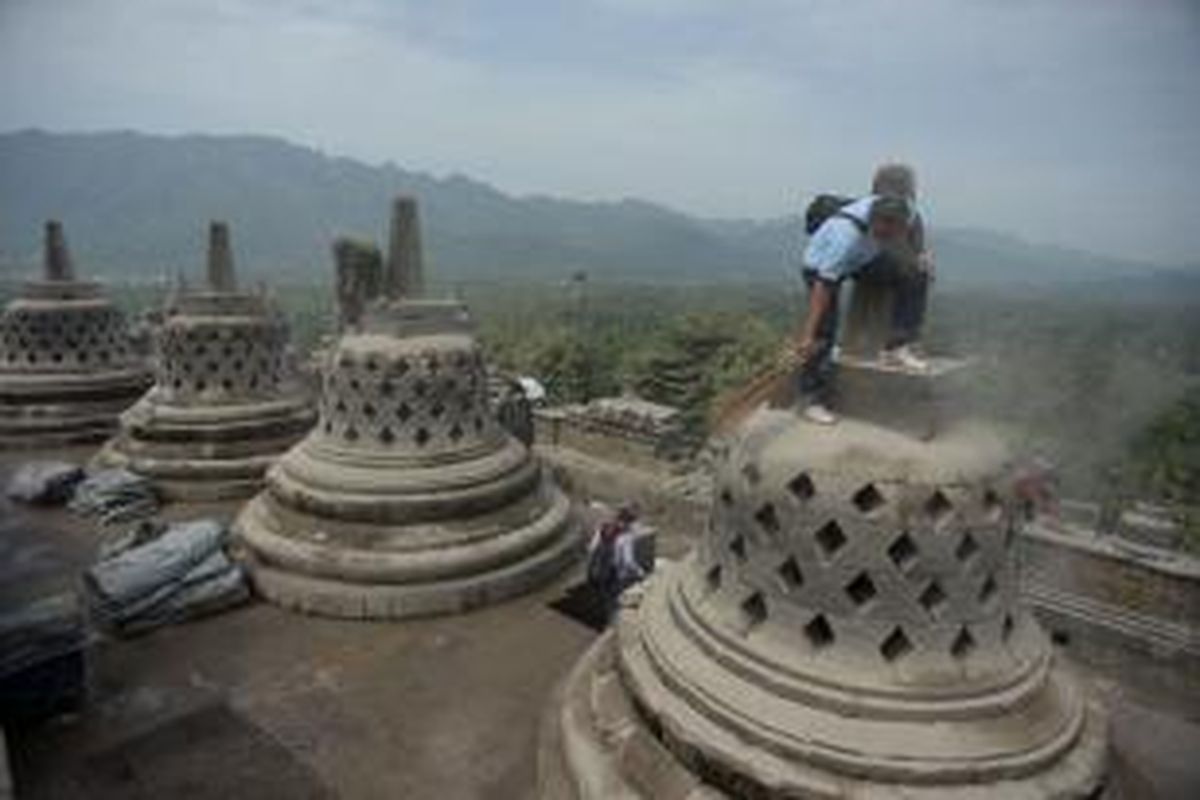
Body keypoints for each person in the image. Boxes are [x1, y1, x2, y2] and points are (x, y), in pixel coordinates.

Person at [788, 193, 916, 425]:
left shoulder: (905, 211)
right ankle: (811, 400)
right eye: (883, 232)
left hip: (862, 259)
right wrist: (808, 334)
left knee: (911, 275)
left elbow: (909, 233)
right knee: (823, 334)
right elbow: (823, 286)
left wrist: (922, 254)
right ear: (873, 220)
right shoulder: (845, 237)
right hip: (820, 269)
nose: (888, 237)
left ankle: (895, 345)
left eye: (893, 233)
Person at [870, 163, 935, 369]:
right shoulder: (878, 208)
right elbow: (881, 243)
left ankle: (905, 342)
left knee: (918, 273)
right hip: (868, 264)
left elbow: (916, 246)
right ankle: (898, 345)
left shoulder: (911, 214)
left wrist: (923, 257)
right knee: (916, 276)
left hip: (885, 264)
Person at [586, 505, 646, 623]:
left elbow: (591, 548)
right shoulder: (626, 536)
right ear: (630, 522)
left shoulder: (604, 527)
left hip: (596, 570)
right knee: (613, 599)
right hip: (613, 574)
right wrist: (640, 571)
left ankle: (598, 615)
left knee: (601, 594)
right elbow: (628, 561)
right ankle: (611, 622)